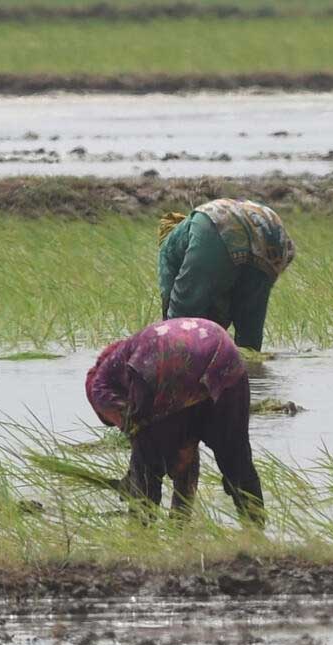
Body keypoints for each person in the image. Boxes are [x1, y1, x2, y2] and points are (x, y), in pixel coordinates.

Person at [85, 317, 265, 526]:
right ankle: (254, 532)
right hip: (224, 352)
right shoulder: (130, 354)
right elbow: (185, 442)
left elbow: (139, 431)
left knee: (147, 463)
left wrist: (134, 477)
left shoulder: (98, 387)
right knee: (236, 456)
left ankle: (141, 537)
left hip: (166, 357)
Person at [158, 198, 296, 351]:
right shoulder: (189, 234)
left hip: (219, 224)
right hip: (273, 232)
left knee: (181, 320)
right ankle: (252, 371)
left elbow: (173, 306)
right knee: (249, 333)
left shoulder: (168, 249)